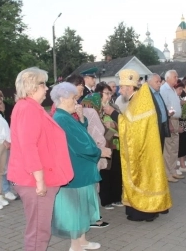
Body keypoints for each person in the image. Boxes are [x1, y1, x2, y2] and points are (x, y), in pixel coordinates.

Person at [8, 67, 73, 251]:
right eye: (42, 84)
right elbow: (29, 146)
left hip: (34, 178)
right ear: (30, 87)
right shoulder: (28, 108)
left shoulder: (29, 107)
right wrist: (39, 180)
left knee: (38, 230)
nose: (47, 88)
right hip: (33, 180)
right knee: (38, 232)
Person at [103, 69, 172, 222]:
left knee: (142, 179)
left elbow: (131, 128)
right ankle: (147, 211)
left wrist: (112, 113)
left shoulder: (139, 102)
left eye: (121, 88)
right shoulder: (140, 99)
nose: (120, 91)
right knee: (147, 178)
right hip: (146, 146)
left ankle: (143, 212)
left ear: (129, 88)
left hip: (142, 149)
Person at [51, 82, 111, 251]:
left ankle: (82, 241)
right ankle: (75, 246)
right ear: (62, 99)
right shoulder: (62, 118)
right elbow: (81, 144)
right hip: (76, 172)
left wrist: (82, 119)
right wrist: (100, 151)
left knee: (83, 207)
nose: (76, 102)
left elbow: (81, 134)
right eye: (73, 98)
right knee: (76, 210)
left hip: (81, 170)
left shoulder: (66, 116)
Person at [89, 83, 123, 210]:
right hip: (105, 144)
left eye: (110, 93)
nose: (109, 96)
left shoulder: (114, 106)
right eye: (106, 93)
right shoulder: (95, 109)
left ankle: (117, 197)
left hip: (117, 144)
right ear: (99, 94)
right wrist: (111, 131)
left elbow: (123, 121)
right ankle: (106, 199)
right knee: (105, 171)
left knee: (117, 170)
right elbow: (97, 129)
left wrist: (114, 125)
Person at [160, 70, 184, 182]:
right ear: (168, 77)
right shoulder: (164, 89)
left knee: (175, 147)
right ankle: (167, 173)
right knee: (168, 148)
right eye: (175, 76)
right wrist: (169, 122)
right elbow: (164, 108)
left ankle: (173, 170)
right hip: (170, 120)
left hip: (176, 119)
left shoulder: (173, 89)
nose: (177, 78)